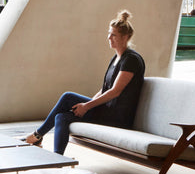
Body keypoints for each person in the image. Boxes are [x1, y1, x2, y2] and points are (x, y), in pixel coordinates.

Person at [24, 10, 144, 155]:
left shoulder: (131, 60)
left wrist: (87, 106)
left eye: (113, 35)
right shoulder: (117, 57)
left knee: (68, 97)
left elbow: (115, 91)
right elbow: (104, 89)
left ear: (125, 37)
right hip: (106, 111)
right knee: (61, 117)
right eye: (109, 33)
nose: (109, 38)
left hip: (117, 117)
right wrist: (89, 106)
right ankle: (57, 158)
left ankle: (37, 135)